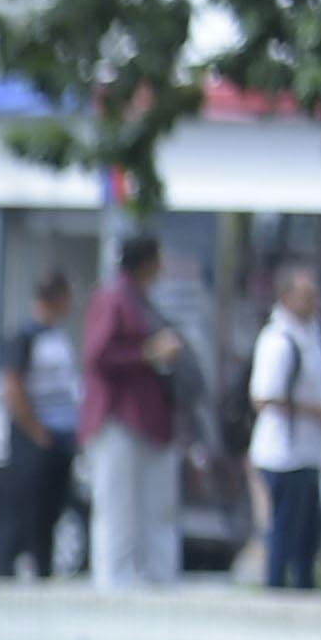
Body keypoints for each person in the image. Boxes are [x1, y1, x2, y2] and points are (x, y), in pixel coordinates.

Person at [82, 233, 190, 591]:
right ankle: (114, 580)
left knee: (154, 504)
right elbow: (98, 355)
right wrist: (148, 353)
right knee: (117, 505)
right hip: (118, 418)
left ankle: (157, 575)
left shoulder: (142, 300)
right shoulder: (113, 298)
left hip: (151, 420)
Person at [246, 262, 321, 592]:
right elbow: (264, 397)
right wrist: (317, 411)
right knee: (284, 536)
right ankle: (276, 596)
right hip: (283, 455)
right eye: (305, 295)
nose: (313, 301)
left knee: (308, 539)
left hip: (309, 453)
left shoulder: (311, 335)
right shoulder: (279, 340)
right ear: (286, 297)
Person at [0, 269, 82, 580]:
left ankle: (43, 574)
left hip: (60, 435)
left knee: (49, 515)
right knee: (22, 513)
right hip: (35, 439)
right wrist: (36, 431)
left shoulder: (57, 337)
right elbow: (12, 385)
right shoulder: (24, 336)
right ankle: (3, 574)